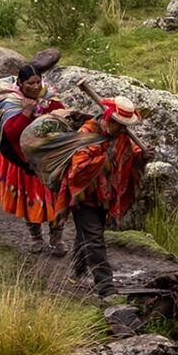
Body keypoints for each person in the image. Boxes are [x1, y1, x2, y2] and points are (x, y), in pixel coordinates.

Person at [62, 98, 147, 300]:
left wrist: (142, 157)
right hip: (83, 195)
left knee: (90, 233)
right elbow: (78, 169)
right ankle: (106, 286)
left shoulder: (121, 135)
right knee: (95, 238)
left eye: (125, 126)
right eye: (119, 124)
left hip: (105, 195)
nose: (121, 129)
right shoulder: (86, 134)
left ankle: (78, 270)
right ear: (109, 118)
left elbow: (129, 155)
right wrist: (104, 157)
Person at [0, 66, 68, 252]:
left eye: (38, 82)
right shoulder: (12, 101)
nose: (35, 86)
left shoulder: (48, 96)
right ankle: (36, 237)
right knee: (31, 197)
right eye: (30, 83)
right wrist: (26, 113)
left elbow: (61, 116)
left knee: (57, 197)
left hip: (48, 157)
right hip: (22, 157)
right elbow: (13, 133)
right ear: (20, 83)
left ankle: (57, 238)